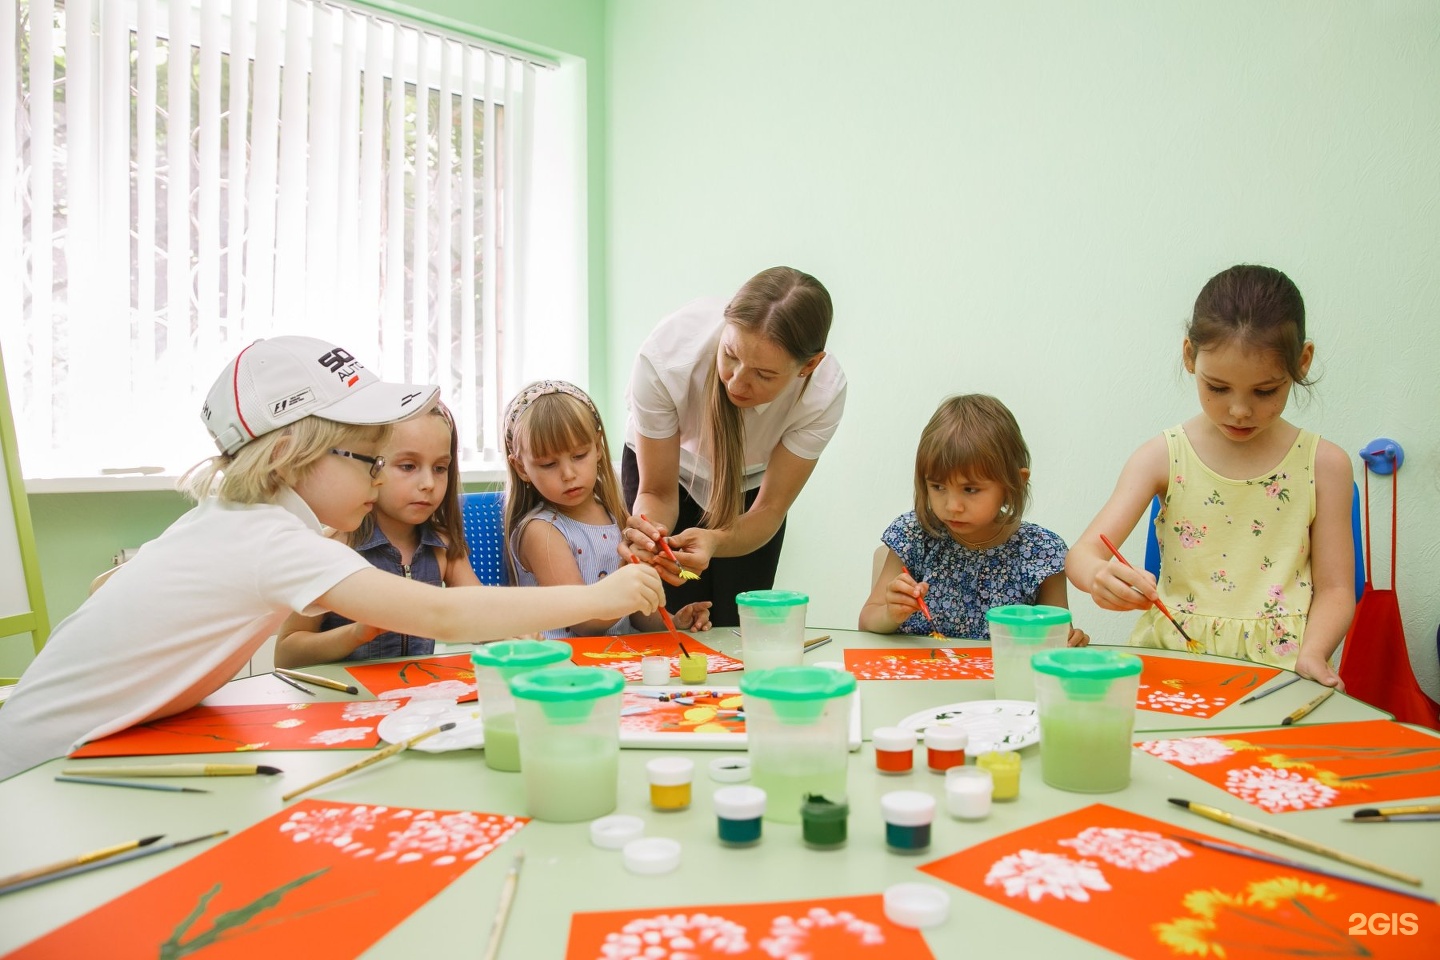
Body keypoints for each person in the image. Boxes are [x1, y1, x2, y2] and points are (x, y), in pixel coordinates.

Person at [0, 337, 662, 779]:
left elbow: (101, 585)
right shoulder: (271, 540)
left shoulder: (240, 524)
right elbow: (441, 612)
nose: (380, 483)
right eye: (369, 462)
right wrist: (604, 597)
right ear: (292, 458)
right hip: (37, 769)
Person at [1065, 264, 1354, 686]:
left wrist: (1313, 655)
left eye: (1265, 390)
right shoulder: (1162, 456)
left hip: (1282, 669)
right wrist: (1097, 576)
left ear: (1302, 362)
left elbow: (1335, 589)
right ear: (1189, 356)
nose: (1239, 410)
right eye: (1218, 388)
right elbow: (1083, 554)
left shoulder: (1325, 465)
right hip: (1174, 662)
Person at [621, 266, 846, 626]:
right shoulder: (667, 357)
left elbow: (769, 509)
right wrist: (650, 539)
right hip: (671, 472)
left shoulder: (823, 393)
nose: (737, 382)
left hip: (751, 493)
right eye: (731, 355)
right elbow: (658, 492)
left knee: (734, 625)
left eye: (765, 374)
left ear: (809, 366)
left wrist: (716, 541)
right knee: (671, 621)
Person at [860, 394, 1089, 645]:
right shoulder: (913, 535)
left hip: (999, 681)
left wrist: (1069, 639)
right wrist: (890, 614)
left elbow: (1056, 634)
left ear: (1014, 483)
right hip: (919, 678)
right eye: (938, 487)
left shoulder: (1042, 551)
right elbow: (867, 620)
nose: (952, 506)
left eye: (970, 489)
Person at [273, 402, 480, 666]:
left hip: (418, 700)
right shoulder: (332, 548)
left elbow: (479, 614)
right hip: (348, 702)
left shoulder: (443, 547)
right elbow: (286, 653)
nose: (428, 484)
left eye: (440, 468)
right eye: (408, 466)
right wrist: (355, 634)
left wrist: (512, 630)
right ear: (371, 464)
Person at [504, 380, 711, 638]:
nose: (568, 474)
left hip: (613, 663)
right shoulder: (541, 532)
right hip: (561, 668)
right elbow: (583, 621)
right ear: (522, 468)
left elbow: (636, 614)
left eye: (579, 456)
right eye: (548, 464)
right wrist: (627, 582)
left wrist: (673, 620)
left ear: (598, 447)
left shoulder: (614, 515)